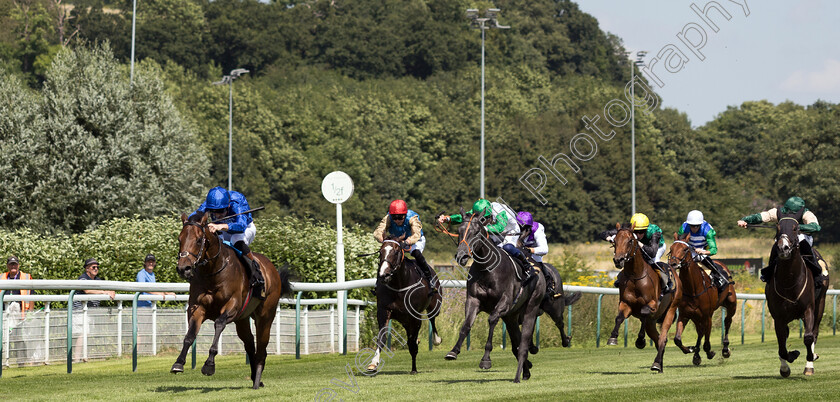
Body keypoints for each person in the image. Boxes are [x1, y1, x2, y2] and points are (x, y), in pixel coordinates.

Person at [192, 186, 264, 299]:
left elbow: (240, 226)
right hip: (222, 230)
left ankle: (256, 275)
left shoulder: (237, 202)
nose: (217, 215)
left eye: (221, 211)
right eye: (213, 212)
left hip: (244, 229)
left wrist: (220, 226)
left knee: (235, 240)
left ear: (228, 205)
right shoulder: (209, 204)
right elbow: (193, 217)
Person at [737, 196, 825, 286]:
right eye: (788, 212)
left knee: (803, 243)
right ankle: (769, 272)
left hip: (802, 236)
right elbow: (761, 216)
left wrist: (798, 227)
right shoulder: (779, 212)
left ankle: (817, 273)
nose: (790, 214)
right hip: (784, 237)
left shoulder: (806, 213)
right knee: (776, 245)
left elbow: (816, 227)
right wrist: (745, 220)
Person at [373, 200, 437, 294]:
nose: (397, 220)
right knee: (386, 255)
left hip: (416, 241)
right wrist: (385, 241)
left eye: (400, 217)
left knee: (416, 253)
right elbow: (378, 231)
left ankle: (430, 280)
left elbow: (416, 235)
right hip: (396, 242)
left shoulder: (412, 218)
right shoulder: (388, 218)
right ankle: (377, 284)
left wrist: (407, 242)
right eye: (394, 217)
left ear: (405, 215)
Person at [599, 213, 673, 293]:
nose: (638, 234)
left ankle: (665, 283)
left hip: (657, 247)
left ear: (646, 229)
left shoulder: (654, 231)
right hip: (640, 246)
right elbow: (603, 234)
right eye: (636, 231)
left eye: (641, 232)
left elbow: (652, 253)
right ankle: (621, 277)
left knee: (653, 261)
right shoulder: (628, 230)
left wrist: (637, 242)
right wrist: (611, 239)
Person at [511, 211, 563, 299]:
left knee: (538, 262)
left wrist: (529, 250)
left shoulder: (538, 229)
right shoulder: (513, 227)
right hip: (520, 251)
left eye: (523, 229)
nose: (521, 231)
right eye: (519, 228)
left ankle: (550, 287)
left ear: (529, 228)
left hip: (534, 252)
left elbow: (544, 249)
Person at [73, 258, 116, 362]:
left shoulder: (97, 280)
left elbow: (105, 289)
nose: (96, 269)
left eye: (97, 267)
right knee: (83, 333)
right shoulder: (83, 278)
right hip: (80, 310)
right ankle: (76, 358)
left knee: (86, 334)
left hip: (89, 312)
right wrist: (104, 292)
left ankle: (83, 357)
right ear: (87, 268)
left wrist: (111, 291)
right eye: (93, 267)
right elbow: (87, 290)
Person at [678, 210, 731, 289]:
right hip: (689, 249)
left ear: (701, 224)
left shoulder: (708, 231)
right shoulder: (683, 228)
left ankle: (719, 279)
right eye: (692, 226)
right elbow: (679, 243)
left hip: (703, 249)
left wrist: (703, 251)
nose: (694, 228)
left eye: (697, 226)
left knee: (708, 264)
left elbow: (714, 250)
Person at [2, 256, 33, 366]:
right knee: (4, 337)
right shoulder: (2, 277)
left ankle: (21, 362)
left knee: (19, 338)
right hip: (4, 313)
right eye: (11, 264)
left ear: (18, 265)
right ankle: (4, 361)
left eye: (15, 264)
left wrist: (30, 312)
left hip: (20, 313)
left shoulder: (26, 277)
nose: (13, 266)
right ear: (7, 266)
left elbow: (31, 295)